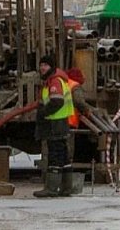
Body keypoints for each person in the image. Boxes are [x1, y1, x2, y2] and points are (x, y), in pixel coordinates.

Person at [34, 55, 74, 198]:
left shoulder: (54, 81)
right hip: (60, 122)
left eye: (45, 65)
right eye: (41, 65)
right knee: (63, 155)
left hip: (54, 123)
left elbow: (57, 102)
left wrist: (43, 112)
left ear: (51, 67)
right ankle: (66, 187)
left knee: (55, 155)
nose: (42, 68)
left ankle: (51, 188)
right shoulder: (55, 80)